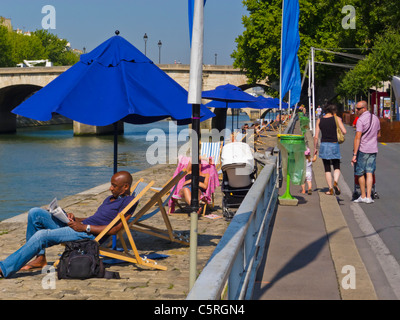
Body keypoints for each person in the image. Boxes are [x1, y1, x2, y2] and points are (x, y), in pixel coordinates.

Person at [0, 171, 137, 278]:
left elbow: (115, 229)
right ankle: (40, 259)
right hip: (80, 227)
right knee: (35, 213)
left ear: (125, 187)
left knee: (42, 235)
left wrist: (84, 227)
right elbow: (94, 218)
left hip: (88, 235)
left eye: (114, 185)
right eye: (111, 184)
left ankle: (5, 268)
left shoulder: (129, 202)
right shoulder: (111, 198)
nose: (110, 188)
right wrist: (75, 218)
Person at [351, 100, 381, 204]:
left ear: (364, 109)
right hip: (373, 149)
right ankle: (369, 197)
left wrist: (354, 154)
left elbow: (357, 137)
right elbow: (379, 135)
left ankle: (363, 196)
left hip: (363, 149)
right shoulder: (376, 118)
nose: (356, 110)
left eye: (358, 109)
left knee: (360, 173)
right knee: (369, 172)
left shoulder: (360, 120)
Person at [313, 104, 347, 195]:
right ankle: (335, 181)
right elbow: (344, 131)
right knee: (336, 166)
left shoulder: (320, 120)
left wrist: (315, 148)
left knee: (327, 168)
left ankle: (330, 188)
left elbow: (316, 137)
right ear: (333, 111)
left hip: (324, 145)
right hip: (334, 144)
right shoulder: (337, 119)